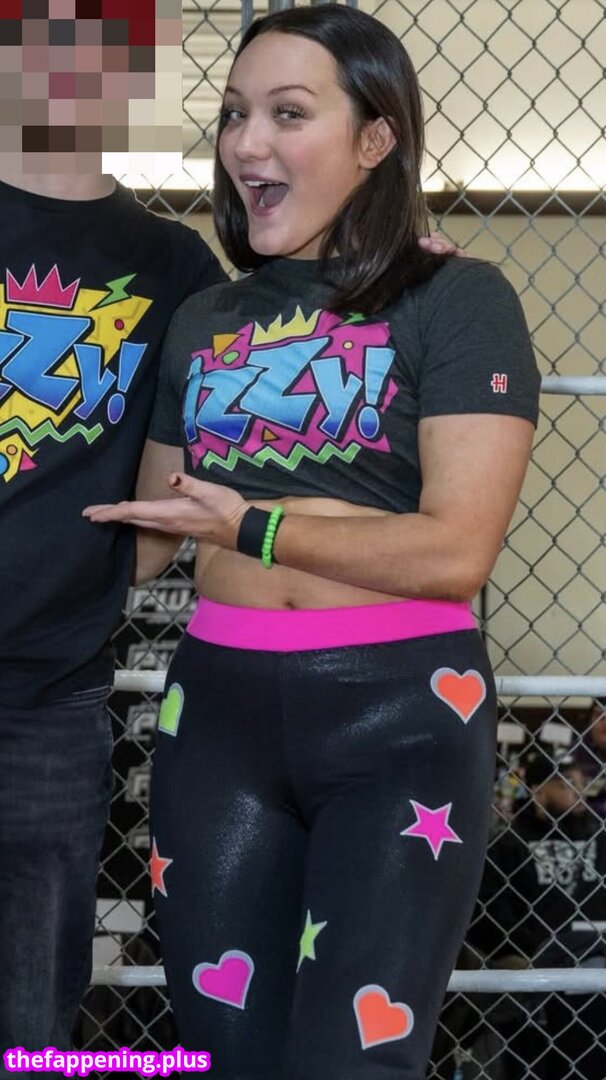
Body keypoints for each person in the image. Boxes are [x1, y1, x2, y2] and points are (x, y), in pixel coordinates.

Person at [84, 5, 541, 1077]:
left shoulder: (459, 298)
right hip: (216, 712)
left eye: (290, 114)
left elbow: (457, 552)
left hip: (402, 715)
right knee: (223, 1051)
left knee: (351, 1060)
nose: (248, 143)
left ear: (376, 137)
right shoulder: (204, 318)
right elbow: (145, 537)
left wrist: (250, 525)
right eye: (235, 114)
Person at [0, 4, 228, 1067]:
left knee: (29, 1020)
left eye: (101, 40)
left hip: (47, 697)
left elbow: (165, 503)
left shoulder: (174, 267)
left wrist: (414, 269)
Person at [468, 751, 606, 1079]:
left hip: (595, 959)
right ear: (538, 789)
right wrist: (535, 947)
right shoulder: (509, 843)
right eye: (567, 783)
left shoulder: (599, 838)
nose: (579, 791)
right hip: (536, 966)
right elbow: (489, 914)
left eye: (582, 783)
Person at [572, 698, 606, 818]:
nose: (605, 722)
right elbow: (571, 790)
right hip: (584, 818)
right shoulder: (576, 749)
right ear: (589, 721)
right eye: (599, 715)